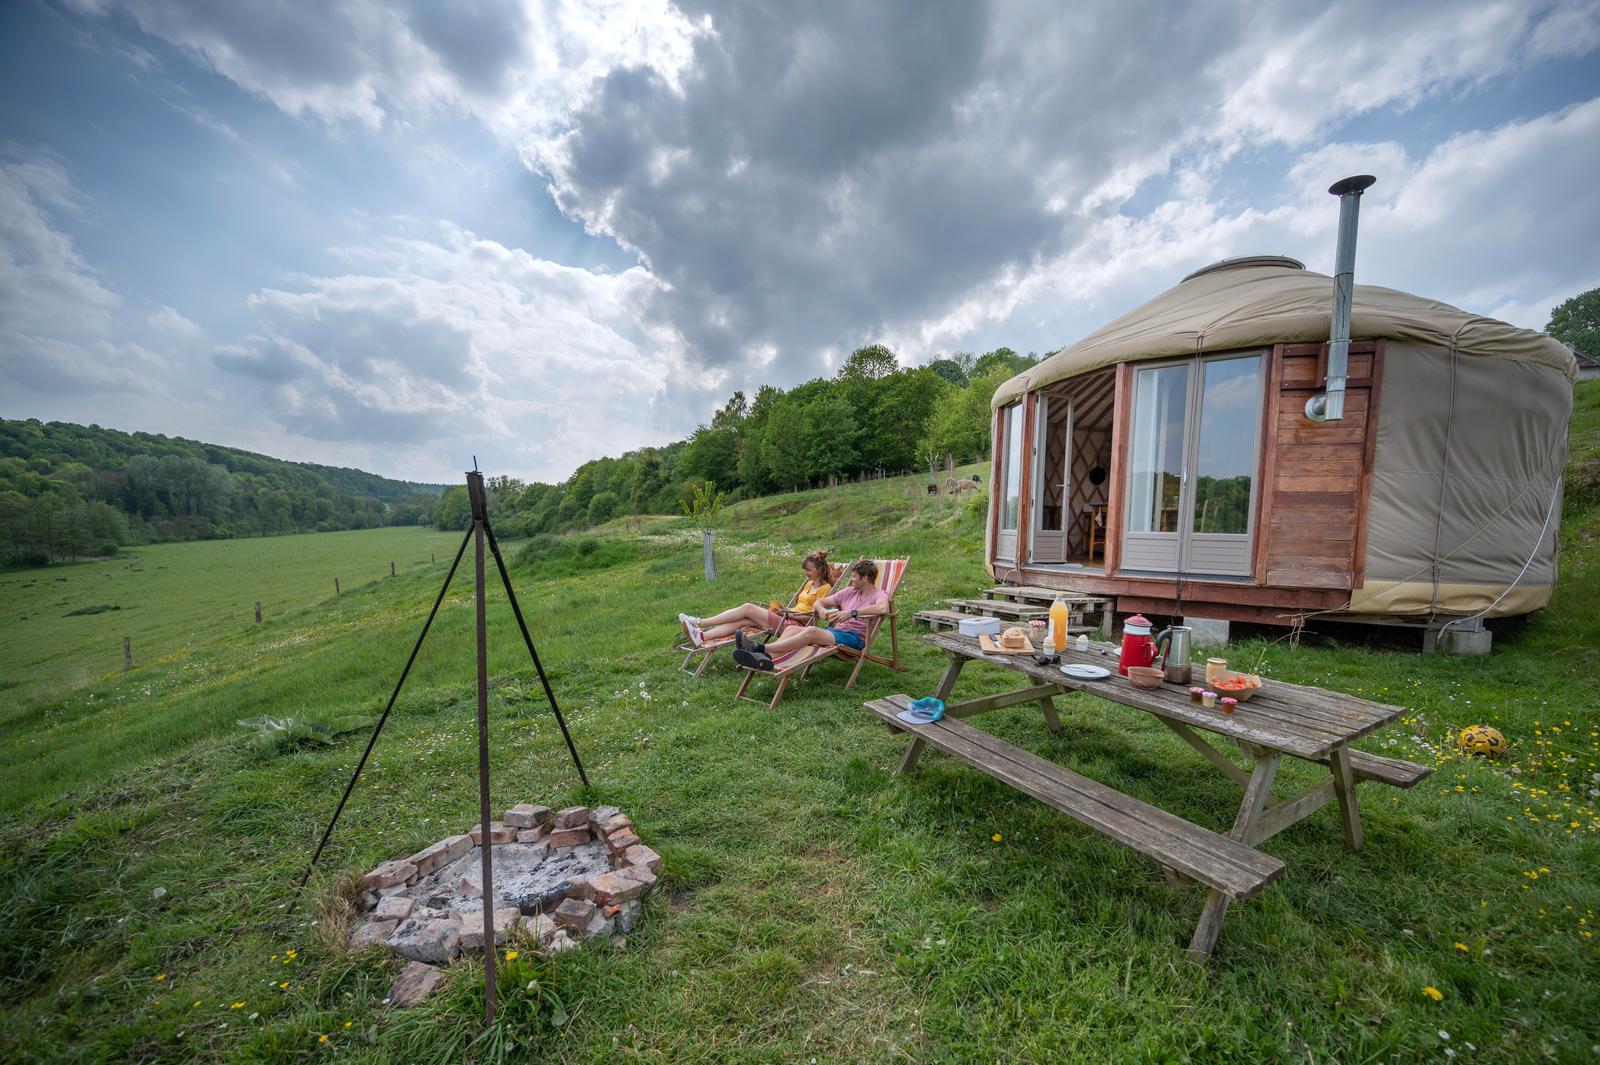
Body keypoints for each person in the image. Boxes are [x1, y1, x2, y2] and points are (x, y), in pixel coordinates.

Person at [732, 559, 887, 671]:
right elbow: (819, 602)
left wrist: (851, 613)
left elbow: (882, 608)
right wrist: (823, 611)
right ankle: (766, 659)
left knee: (811, 631)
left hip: (853, 639)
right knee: (791, 630)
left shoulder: (879, 595)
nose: (851, 580)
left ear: (865, 578)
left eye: (854, 577)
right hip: (835, 632)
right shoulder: (850, 592)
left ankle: (759, 648)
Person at [679, 551, 842, 648]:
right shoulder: (808, 584)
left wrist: (789, 614)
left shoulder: (825, 589)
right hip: (786, 617)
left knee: (748, 608)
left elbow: (812, 616)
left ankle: (700, 622)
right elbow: (800, 607)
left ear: (820, 570)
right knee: (743, 620)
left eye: (809, 570)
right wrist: (784, 609)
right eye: (805, 570)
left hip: (794, 626)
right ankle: (701, 637)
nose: (806, 573)